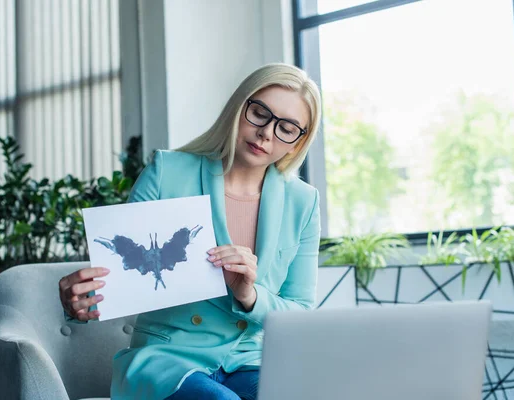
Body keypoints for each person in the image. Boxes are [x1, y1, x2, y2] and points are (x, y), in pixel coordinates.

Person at [58, 63, 322, 400]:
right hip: (166, 359)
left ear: (297, 144)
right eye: (260, 113)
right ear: (239, 108)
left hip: (250, 361)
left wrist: (249, 295)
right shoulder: (167, 171)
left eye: (286, 128)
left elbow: (300, 312)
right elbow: (117, 279)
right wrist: (78, 304)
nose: (266, 133)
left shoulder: (304, 201)